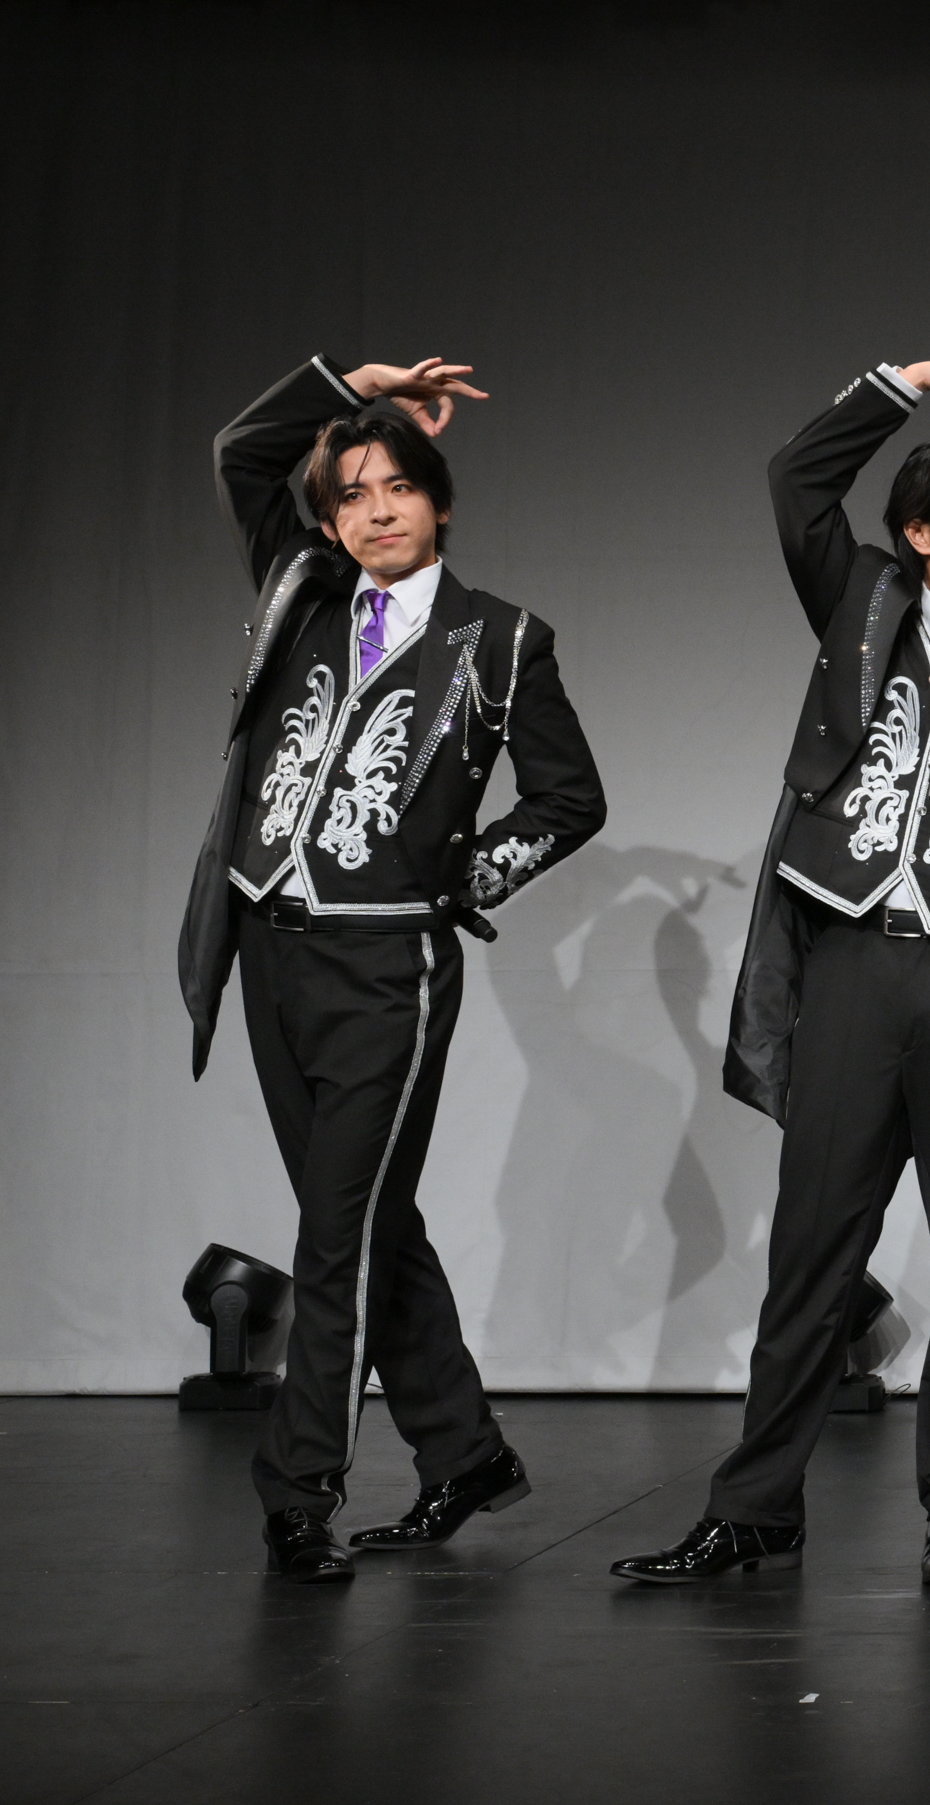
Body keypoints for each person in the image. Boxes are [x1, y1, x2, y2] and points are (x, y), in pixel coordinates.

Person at [612, 341, 930, 1589]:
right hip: (851, 962)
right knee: (812, 1248)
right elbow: (796, 477)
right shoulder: (864, 609)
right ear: (918, 531)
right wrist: (906, 382)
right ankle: (756, 1506)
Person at [178, 354, 607, 1582]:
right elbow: (240, 454)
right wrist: (341, 383)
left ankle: (298, 1490)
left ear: (441, 501)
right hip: (269, 950)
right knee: (364, 1220)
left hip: (385, 971)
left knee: (335, 1238)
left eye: (398, 486)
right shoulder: (301, 594)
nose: (375, 510)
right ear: (328, 518)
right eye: (352, 492)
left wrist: (468, 878)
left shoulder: (502, 638)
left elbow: (571, 797)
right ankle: (465, 1451)